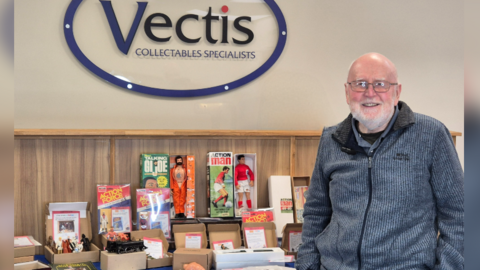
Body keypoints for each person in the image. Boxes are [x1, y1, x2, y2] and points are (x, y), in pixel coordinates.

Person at [295, 53, 463, 270]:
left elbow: (460, 214)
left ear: (396, 92)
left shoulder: (431, 135)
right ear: (347, 92)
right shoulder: (331, 139)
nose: (370, 93)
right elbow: (316, 211)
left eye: (380, 84)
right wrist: (307, 265)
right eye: (360, 84)